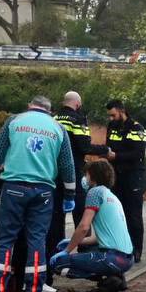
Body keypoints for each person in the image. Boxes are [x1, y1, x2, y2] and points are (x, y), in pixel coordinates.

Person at [0, 96, 76, 292]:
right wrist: (70, 195)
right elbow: (67, 166)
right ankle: (34, 291)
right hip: (43, 192)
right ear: (49, 111)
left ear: (29, 106)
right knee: (37, 239)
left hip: (14, 188)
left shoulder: (14, 121)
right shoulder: (58, 128)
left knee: (5, 239)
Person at [50, 160, 134, 292]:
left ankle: (109, 280)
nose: (85, 178)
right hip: (127, 259)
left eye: (87, 174)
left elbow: (84, 226)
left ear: (93, 176)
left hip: (112, 258)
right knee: (85, 250)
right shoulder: (111, 196)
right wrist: (75, 242)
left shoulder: (95, 193)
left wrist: (67, 250)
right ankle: (115, 277)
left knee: (58, 264)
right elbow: (100, 237)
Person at [48, 91, 103, 280]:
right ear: (78, 104)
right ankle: (85, 257)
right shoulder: (77, 119)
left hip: (54, 175)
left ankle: (55, 259)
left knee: (56, 217)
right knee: (81, 215)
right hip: (74, 172)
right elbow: (85, 147)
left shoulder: (53, 119)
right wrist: (105, 150)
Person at [105, 99, 146, 262]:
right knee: (117, 214)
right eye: (109, 116)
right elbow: (109, 146)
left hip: (133, 176)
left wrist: (117, 156)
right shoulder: (112, 127)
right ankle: (121, 247)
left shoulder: (137, 128)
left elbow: (138, 153)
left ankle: (136, 250)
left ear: (121, 111)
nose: (111, 118)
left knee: (134, 215)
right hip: (116, 176)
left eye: (113, 115)